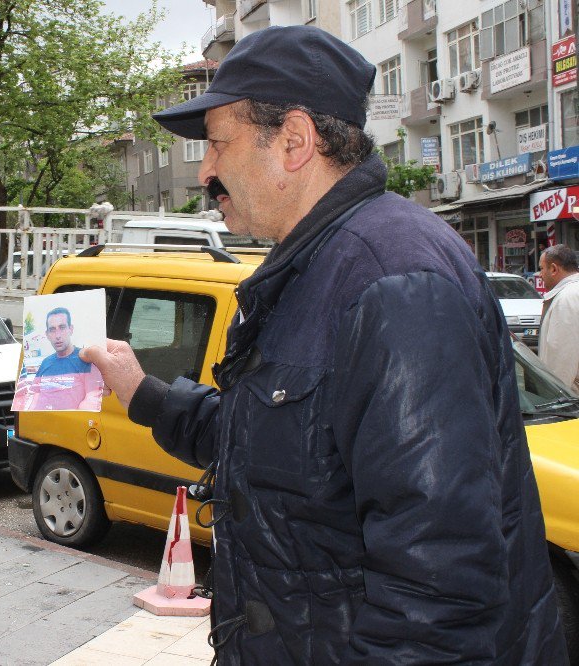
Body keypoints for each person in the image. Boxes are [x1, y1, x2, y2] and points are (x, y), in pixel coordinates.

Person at [81, 25, 566, 664]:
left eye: (218, 144)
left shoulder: (392, 282)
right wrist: (141, 392)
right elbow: (277, 446)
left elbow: (437, 582)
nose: (205, 170)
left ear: (295, 141)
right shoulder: (317, 265)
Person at [538, 243, 579, 392]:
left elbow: (562, 359)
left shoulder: (566, 299)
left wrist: (556, 397)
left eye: (542, 268)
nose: (539, 275)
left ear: (554, 269)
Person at [36, 307, 93, 377]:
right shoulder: (45, 363)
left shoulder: (85, 360)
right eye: (52, 329)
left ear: (71, 329)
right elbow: (34, 387)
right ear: (47, 334)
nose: (57, 336)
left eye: (62, 327)